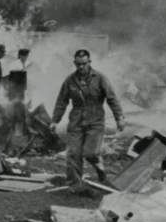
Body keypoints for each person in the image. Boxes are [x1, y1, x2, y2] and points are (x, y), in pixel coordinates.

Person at [51, 49, 125, 194]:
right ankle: (75, 185)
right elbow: (62, 101)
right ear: (74, 63)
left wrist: (119, 118)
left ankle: (100, 168)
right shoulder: (70, 80)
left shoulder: (100, 78)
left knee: (90, 153)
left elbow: (111, 99)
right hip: (76, 121)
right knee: (73, 153)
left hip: (95, 120)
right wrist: (55, 120)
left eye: (84, 64)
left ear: (89, 62)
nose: (81, 67)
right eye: (78, 64)